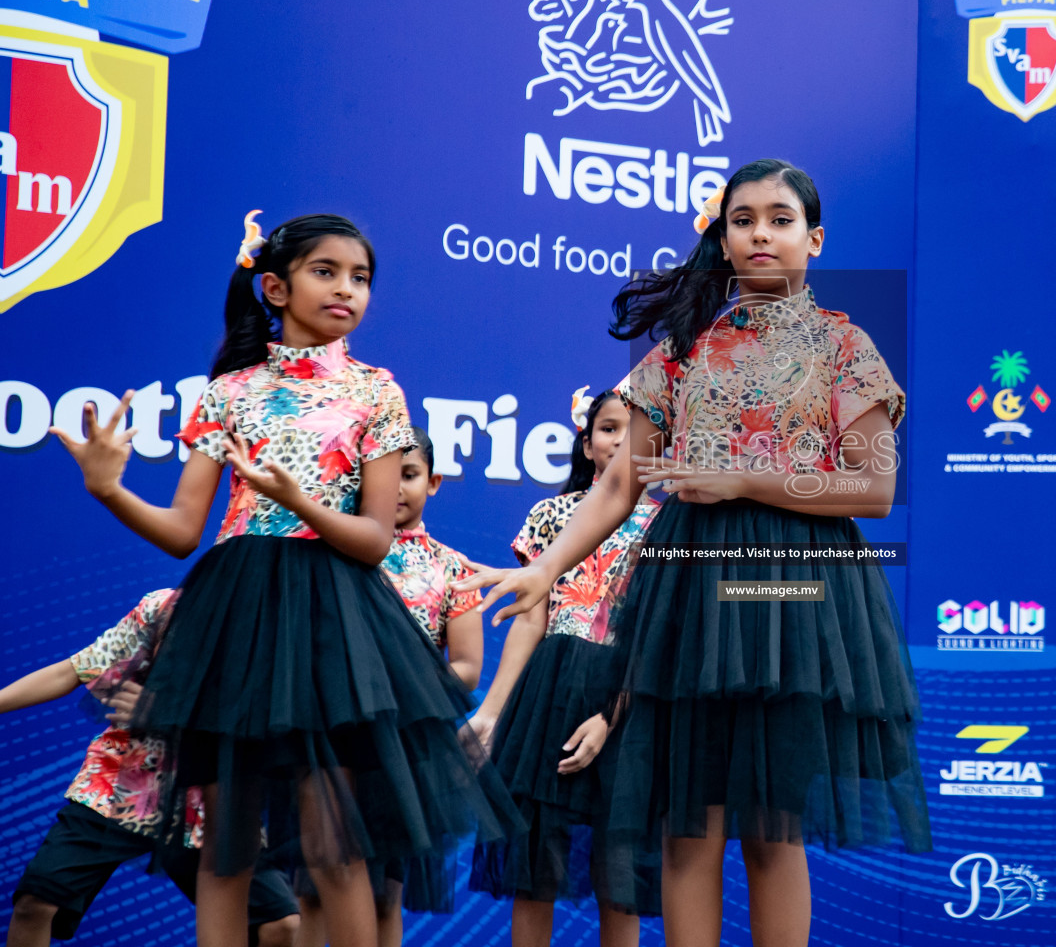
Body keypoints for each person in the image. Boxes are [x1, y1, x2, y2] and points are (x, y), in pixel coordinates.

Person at [457, 159, 931, 947]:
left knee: (773, 828)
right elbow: (615, 488)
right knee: (686, 826)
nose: (760, 234)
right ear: (721, 238)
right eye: (742, 219)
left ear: (814, 239)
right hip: (688, 592)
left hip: (793, 595)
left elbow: (874, 489)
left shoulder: (845, 345)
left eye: (780, 219)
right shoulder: (683, 351)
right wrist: (546, 566)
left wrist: (741, 476)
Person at [48, 212, 512, 947]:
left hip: (334, 614)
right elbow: (181, 533)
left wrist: (300, 502)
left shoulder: (376, 390)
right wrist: (109, 489)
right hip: (235, 612)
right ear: (274, 286)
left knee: (335, 835)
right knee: (226, 837)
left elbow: (371, 540)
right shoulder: (230, 392)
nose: (347, 290)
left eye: (360, 278)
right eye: (326, 272)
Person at [468, 387, 661, 947]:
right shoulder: (551, 515)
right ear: (586, 440)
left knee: (618, 875)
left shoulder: (672, 529)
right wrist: (492, 711)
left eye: (633, 429)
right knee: (534, 871)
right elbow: (531, 621)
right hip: (546, 698)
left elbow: (656, 636)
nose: (620, 439)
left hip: (626, 703)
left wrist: (611, 715)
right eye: (607, 428)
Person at [1, 589, 299, 946]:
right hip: (123, 784)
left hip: (215, 798)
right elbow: (73, 670)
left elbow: (272, 725)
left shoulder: (283, 633)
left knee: (281, 924)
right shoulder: (163, 606)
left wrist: (167, 712)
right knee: (37, 903)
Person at [294, 426, 486, 947]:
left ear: (435, 482)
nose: (398, 488)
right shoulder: (333, 557)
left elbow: (467, 667)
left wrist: (402, 692)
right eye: (386, 476)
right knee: (313, 884)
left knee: (383, 891)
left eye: (411, 475)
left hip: (402, 751)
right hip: (333, 736)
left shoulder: (451, 568)